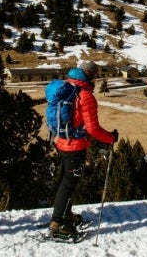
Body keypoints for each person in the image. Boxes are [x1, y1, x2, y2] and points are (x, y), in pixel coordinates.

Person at [49, 60, 118, 240]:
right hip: (75, 147)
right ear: (91, 75)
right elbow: (93, 129)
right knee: (69, 184)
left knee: (67, 181)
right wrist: (111, 137)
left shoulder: (69, 86)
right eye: (95, 75)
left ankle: (66, 214)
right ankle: (58, 224)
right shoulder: (85, 95)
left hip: (63, 143)